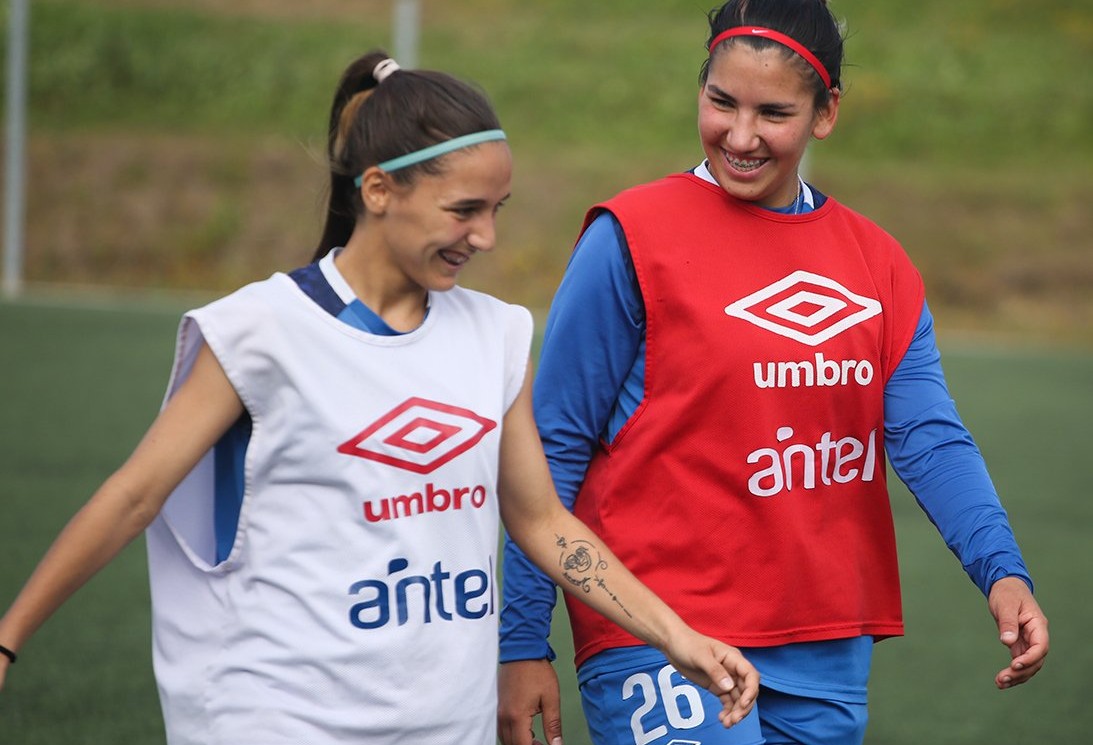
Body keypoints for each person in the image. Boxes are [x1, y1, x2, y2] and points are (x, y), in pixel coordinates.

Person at [0, 51, 761, 744]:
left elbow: (539, 520)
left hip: (444, 724)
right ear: (377, 190)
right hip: (277, 718)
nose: (486, 236)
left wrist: (675, 636)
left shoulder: (493, 334)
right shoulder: (263, 331)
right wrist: (8, 639)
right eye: (464, 210)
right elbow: (134, 495)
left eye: (497, 209)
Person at [497, 2, 1049, 744]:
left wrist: (1003, 571)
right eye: (720, 101)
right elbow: (552, 446)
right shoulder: (629, 238)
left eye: (773, 112)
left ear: (825, 115)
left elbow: (926, 434)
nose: (740, 134)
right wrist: (522, 641)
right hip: (658, 636)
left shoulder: (877, 264)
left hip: (826, 643)